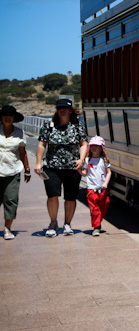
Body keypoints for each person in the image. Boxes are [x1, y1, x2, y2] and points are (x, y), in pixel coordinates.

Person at [35, 98, 88, 238]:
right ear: (57, 110)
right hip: (52, 166)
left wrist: (81, 160)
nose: (62, 110)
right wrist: (38, 163)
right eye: (60, 108)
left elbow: (84, 144)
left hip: (72, 167)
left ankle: (67, 224)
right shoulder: (49, 125)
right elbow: (42, 144)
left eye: (65, 108)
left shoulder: (77, 126)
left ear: (70, 110)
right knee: (52, 196)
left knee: (70, 198)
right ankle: (53, 223)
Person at [1, 105, 31, 240]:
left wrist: (27, 170)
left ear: (13, 118)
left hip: (13, 170)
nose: (7, 117)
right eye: (5, 114)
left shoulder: (20, 132)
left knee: (11, 200)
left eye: (10, 115)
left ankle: (7, 228)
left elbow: (22, 153)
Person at [81, 136, 111, 237]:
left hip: (102, 188)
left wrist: (105, 183)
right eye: (92, 146)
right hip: (91, 188)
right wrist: (78, 169)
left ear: (101, 148)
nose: (94, 148)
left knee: (105, 204)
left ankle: (98, 221)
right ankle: (96, 227)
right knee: (94, 208)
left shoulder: (104, 160)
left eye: (96, 146)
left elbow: (108, 172)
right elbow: (84, 173)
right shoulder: (87, 160)